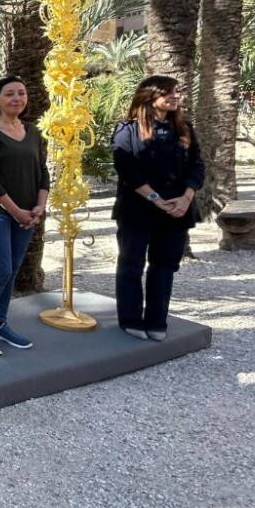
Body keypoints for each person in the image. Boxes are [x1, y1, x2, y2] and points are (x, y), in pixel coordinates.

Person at [111, 75, 205, 342]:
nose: (176, 96)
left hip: (176, 210)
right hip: (137, 211)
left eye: (177, 92)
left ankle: (156, 320)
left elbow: (197, 165)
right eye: (169, 92)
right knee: (131, 265)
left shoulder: (185, 128)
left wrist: (186, 198)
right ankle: (130, 319)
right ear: (150, 96)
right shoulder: (126, 130)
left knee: (165, 265)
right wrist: (155, 199)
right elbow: (126, 169)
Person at [0, 76, 49, 356]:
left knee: (12, 270)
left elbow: (43, 172)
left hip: (27, 214)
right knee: (0, 269)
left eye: (21, 93)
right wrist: (17, 212)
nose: (17, 98)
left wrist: (39, 206)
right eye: (9, 94)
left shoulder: (33, 133)